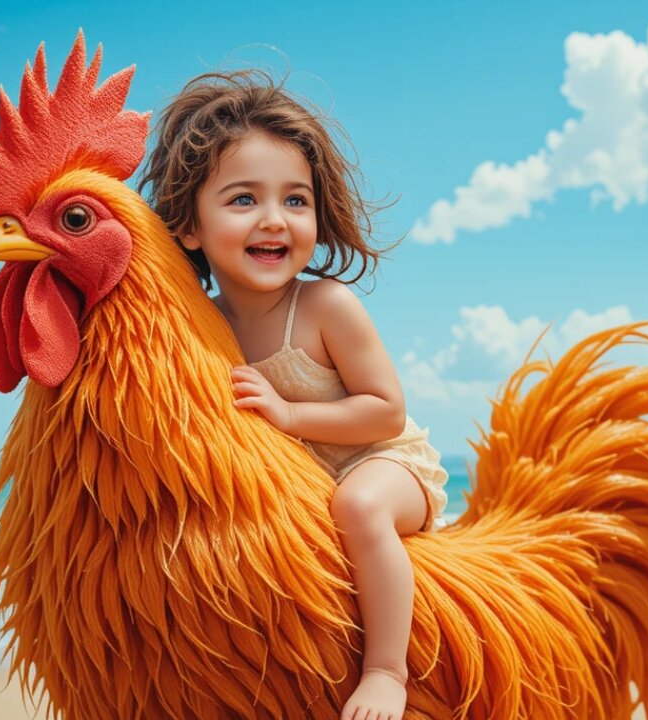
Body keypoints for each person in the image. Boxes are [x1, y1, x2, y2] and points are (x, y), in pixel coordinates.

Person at [139, 69, 449, 720]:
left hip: (384, 464)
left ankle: (387, 672)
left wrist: (289, 413)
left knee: (358, 509)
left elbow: (385, 410)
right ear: (190, 227)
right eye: (244, 200)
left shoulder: (324, 306)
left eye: (296, 200)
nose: (275, 220)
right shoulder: (207, 322)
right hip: (303, 485)